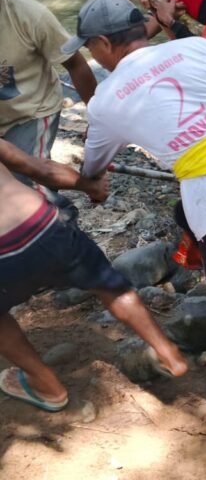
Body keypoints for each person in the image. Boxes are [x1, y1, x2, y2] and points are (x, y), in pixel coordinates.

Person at [65, 0, 206, 422]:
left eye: (88, 47)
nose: (89, 56)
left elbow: (94, 165)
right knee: (188, 217)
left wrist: (90, 182)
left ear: (102, 44)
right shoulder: (199, 47)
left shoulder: (108, 99)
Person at [0, 158, 187, 413]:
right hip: (45, 225)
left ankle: (47, 385)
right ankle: (166, 351)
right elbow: (41, 169)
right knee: (109, 285)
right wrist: (89, 185)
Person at [0, 0, 97, 194]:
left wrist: (98, 119)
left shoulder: (27, 14)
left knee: (26, 181)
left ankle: (60, 219)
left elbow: (76, 64)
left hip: (32, 109)